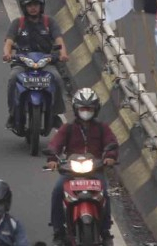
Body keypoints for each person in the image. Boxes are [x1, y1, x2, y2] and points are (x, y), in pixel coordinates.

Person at [48, 88, 119, 246]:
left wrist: (110, 158)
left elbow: (112, 144)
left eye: (89, 109)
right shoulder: (68, 128)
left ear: (96, 110)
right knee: (57, 191)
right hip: (70, 172)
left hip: (95, 171)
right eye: (82, 108)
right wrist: (53, 158)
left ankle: (105, 231)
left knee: (105, 195)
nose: (86, 112)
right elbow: (55, 144)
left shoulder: (102, 128)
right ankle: (58, 231)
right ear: (76, 109)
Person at [3, 0, 69, 130]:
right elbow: (8, 42)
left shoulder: (49, 22)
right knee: (13, 79)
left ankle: (55, 114)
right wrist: (7, 54)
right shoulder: (18, 23)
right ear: (24, 7)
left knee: (57, 78)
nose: (33, 8)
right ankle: (13, 114)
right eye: (29, 5)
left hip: (46, 61)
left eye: (36, 4)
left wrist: (63, 54)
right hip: (22, 62)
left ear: (41, 6)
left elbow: (59, 40)